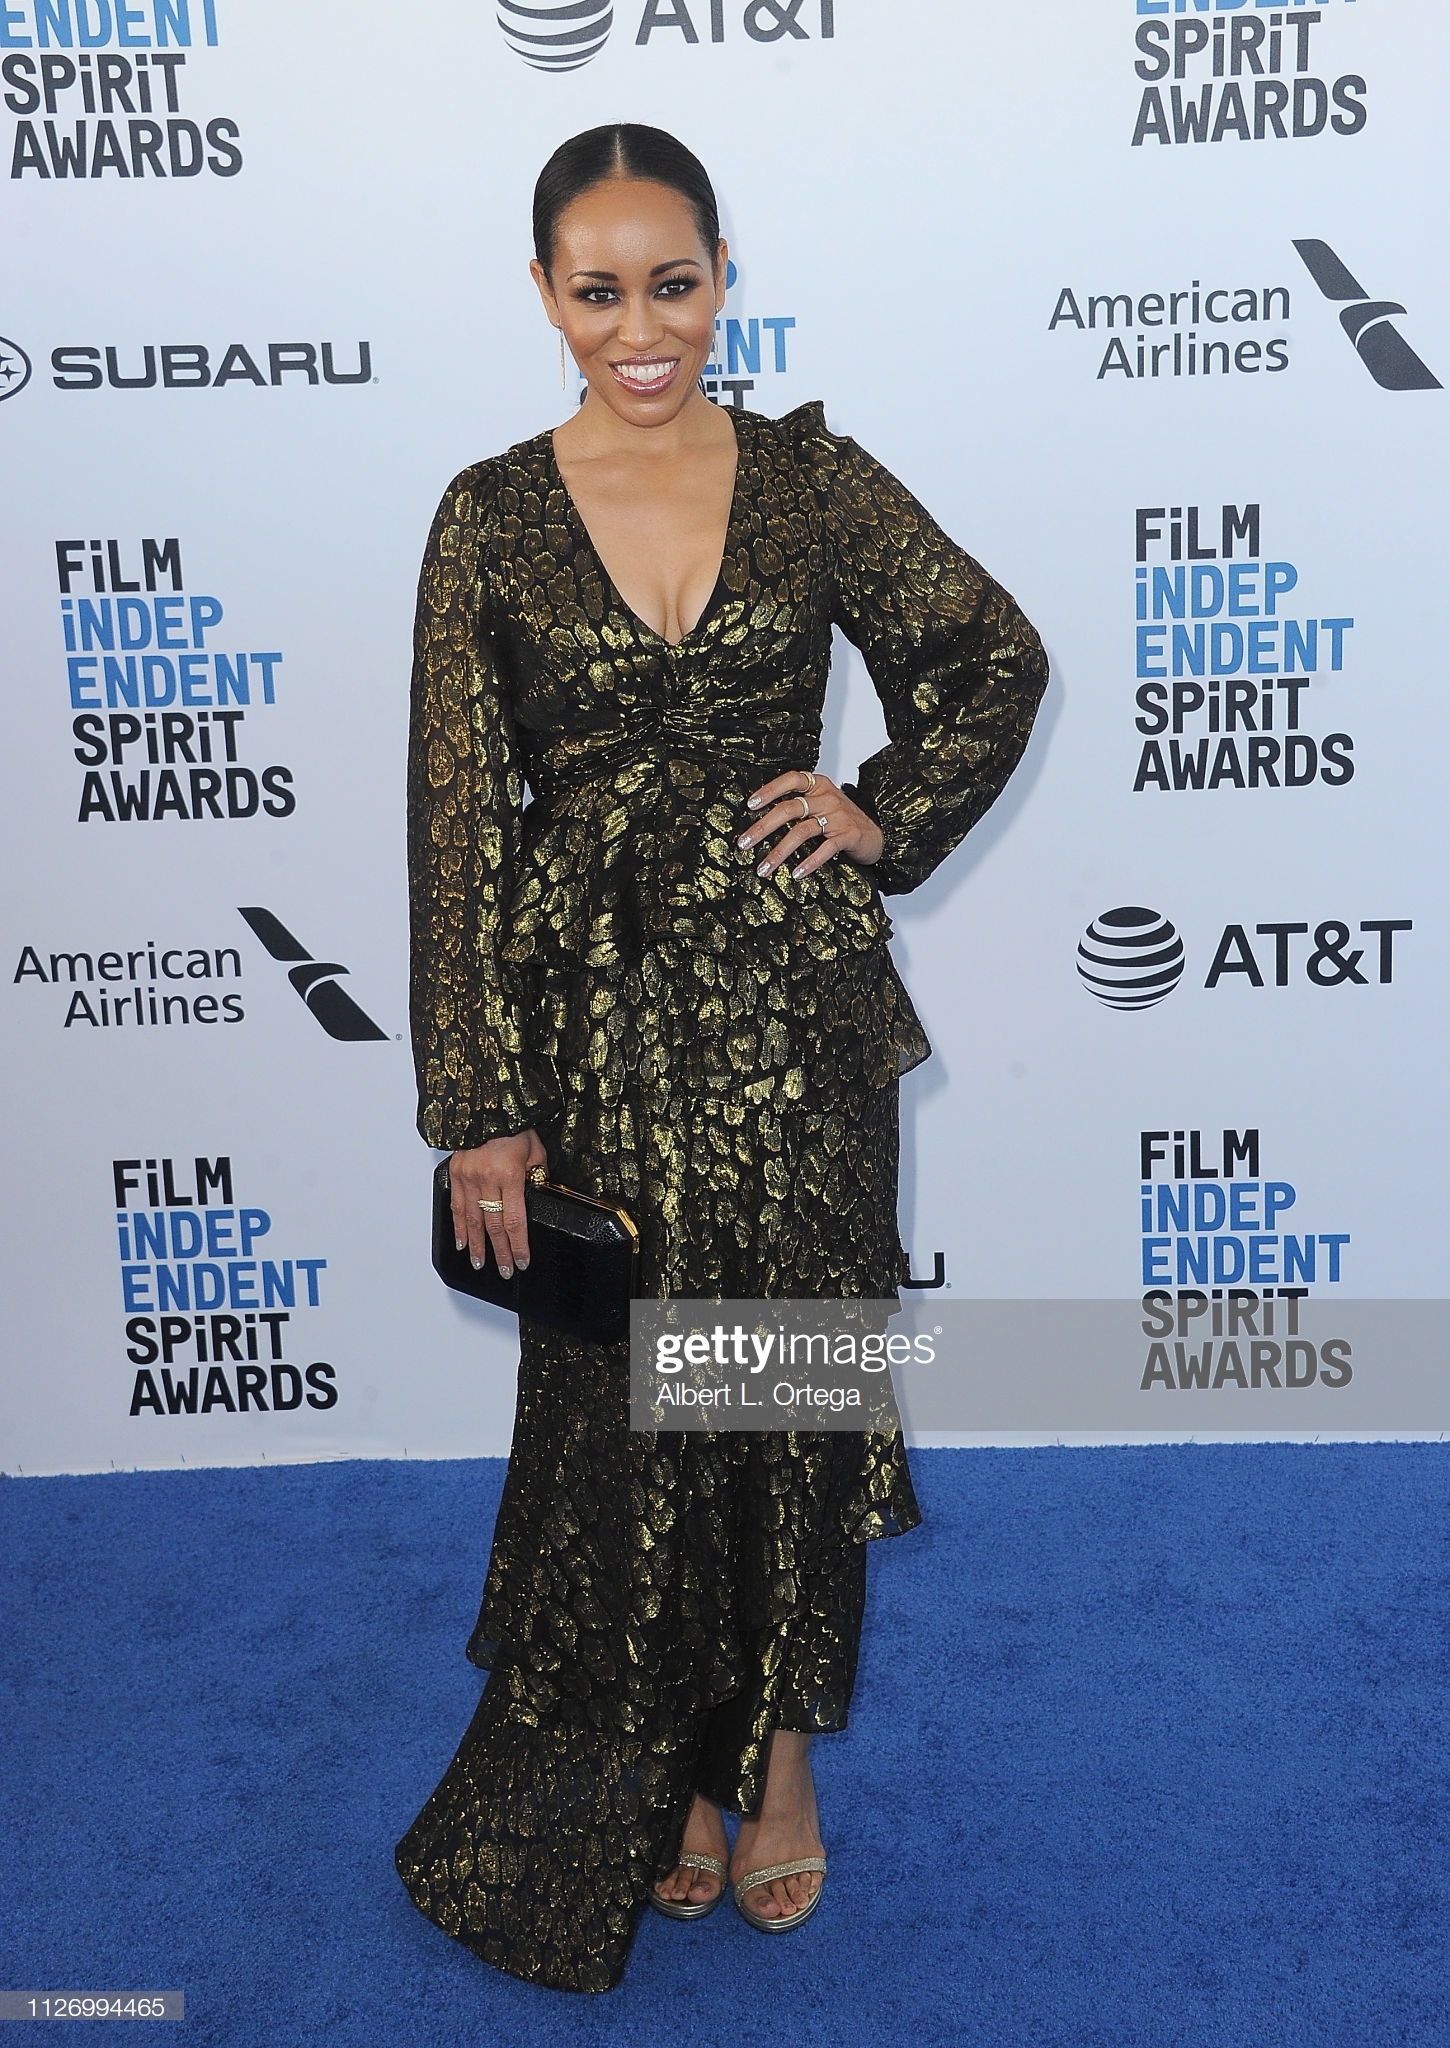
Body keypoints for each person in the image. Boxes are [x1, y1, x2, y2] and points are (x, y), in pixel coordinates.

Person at [394, 122, 1048, 1994]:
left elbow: (990, 658)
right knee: (628, 1412)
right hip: (592, 1035)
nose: (640, 329)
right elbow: (458, 826)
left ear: (720, 280)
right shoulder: (487, 514)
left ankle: (770, 1769)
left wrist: (876, 807)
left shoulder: (814, 479)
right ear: (545, 295)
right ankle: (669, 1764)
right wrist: (477, 1110)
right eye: (597, 291)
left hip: (789, 1022)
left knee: (782, 1393)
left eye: (671, 285)